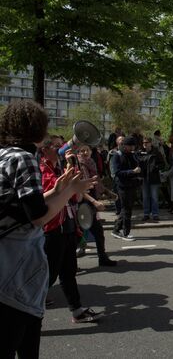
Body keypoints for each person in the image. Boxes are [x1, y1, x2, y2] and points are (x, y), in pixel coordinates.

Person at [0, 100, 96, 358]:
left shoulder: (4, 155)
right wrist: (71, 192)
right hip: (16, 265)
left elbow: (21, 205)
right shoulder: (24, 158)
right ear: (38, 127)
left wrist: (60, 189)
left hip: (7, 258)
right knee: (23, 336)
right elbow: (38, 217)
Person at [40, 137, 106, 325]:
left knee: (68, 272)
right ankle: (28, 313)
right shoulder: (43, 168)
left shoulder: (61, 166)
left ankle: (77, 311)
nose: (62, 148)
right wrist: (70, 168)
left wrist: (72, 167)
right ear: (45, 150)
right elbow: (56, 190)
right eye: (56, 146)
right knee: (49, 274)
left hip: (67, 225)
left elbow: (75, 197)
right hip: (52, 228)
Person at [75, 144, 117, 266]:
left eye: (86, 150)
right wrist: (94, 201)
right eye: (81, 151)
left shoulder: (91, 163)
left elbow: (97, 182)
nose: (84, 153)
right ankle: (72, 264)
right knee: (76, 234)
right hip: (80, 202)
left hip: (90, 202)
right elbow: (78, 189)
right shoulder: (77, 165)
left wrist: (108, 192)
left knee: (98, 231)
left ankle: (102, 258)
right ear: (77, 152)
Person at [110, 136, 142, 241]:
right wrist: (132, 172)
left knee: (127, 209)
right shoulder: (116, 156)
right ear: (124, 145)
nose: (132, 148)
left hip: (131, 185)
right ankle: (125, 233)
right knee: (126, 210)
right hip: (122, 186)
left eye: (133, 146)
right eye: (130, 146)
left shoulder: (132, 155)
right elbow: (117, 172)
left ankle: (116, 230)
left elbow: (137, 166)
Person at [139, 137, 165, 221]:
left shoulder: (156, 152)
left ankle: (155, 214)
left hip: (154, 178)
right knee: (145, 197)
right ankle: (146, 214)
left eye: (146, 142)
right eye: (143, 142)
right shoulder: (140, 153)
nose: (145, 144)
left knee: (154, 197)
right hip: (144, 178)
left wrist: (155, 167)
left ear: (150, 143)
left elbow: (163, 164)